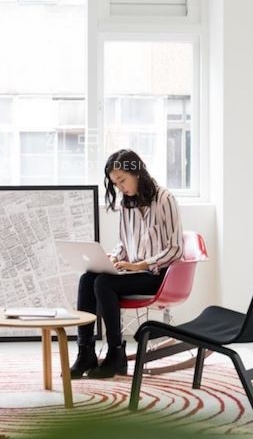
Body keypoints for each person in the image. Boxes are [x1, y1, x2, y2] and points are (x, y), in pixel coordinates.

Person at [70, 149, 183, 379]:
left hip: (157, 276)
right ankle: (85, 352)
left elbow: (176, 249)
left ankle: (116, 354)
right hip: (133, 274)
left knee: (103, 283)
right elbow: (124, 243)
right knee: (87, 279)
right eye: (115, 183)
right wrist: (113, 257)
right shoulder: (126, 204)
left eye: (122, 180)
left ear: (137, 173)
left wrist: (141, 265)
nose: (120, 187)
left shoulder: (165, 199)